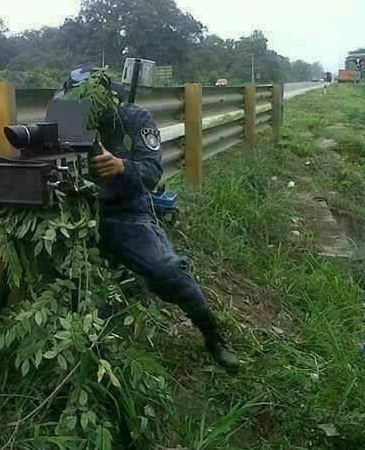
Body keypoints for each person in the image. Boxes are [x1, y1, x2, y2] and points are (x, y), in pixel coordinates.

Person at [58, 66, 240, 372]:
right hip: (75, 212)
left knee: (166, 270)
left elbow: (153, 172)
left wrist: (122, 167)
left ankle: (214, 336)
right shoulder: (65, 116)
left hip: (124, 212)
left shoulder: (133, 119)